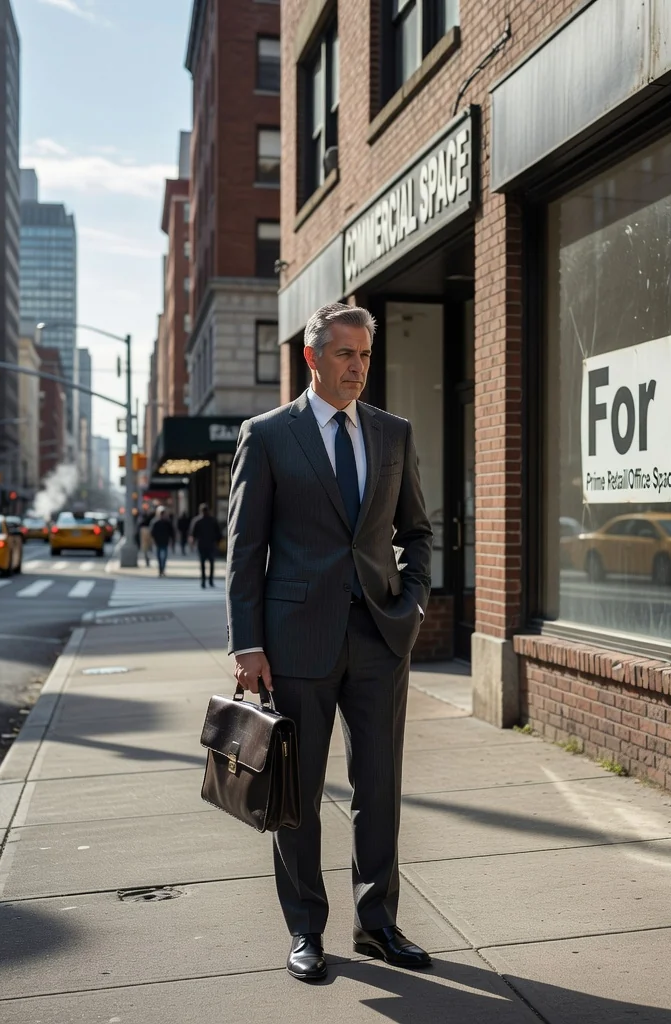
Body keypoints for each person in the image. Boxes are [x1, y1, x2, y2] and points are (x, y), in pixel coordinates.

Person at [227, 302, 433, 984]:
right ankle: (305, 929)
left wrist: (412, 603)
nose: (358, 367)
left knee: (380, 786)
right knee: (297, 792)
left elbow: (418, 532)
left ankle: (377, 924)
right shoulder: (268, 436)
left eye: (366, 355)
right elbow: (245, 550)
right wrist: (247, 643)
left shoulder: (393, 434)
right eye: (345, 354)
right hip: (295, 643)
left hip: (379, 637)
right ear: (312, 358)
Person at [189, 503, 221, 588]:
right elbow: (218, 534)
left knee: (203, 564)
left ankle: (204, 581)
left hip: (202, 545)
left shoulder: (197, 520)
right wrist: (217, 542)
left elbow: (193, 534)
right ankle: (209, 580)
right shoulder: (212, 520)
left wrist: (192, 543)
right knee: (210, 564)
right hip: (209, 545)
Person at [150, 506, 174, 576]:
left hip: (165, 541)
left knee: (164, 557)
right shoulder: (155, 522)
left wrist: (172, 541)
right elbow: (152, 533)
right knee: (159, 557)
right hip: (158, 542)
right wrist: (153, 540)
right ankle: (160, 569)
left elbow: (171, 532)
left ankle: (162, 569)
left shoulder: (167, 522)